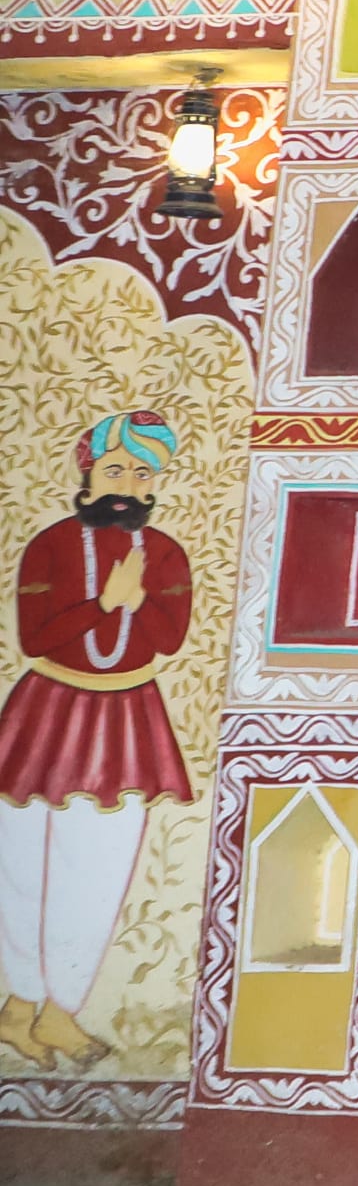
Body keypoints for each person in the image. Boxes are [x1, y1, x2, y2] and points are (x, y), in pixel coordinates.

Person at [0, 413, 194, 1069]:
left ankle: (60, 1012)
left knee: (99, 873)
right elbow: (35, 637)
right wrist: (104, 604)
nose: (128, 485)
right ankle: (18, 1008)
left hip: (126, 720)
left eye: (142, 473)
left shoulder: (163, 552)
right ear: (88, 474)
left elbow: (169, 639)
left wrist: (135, 602)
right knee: (20, 868)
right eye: (115, 470)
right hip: (45, 714)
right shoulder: (51, 545)